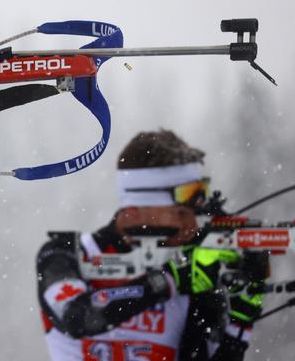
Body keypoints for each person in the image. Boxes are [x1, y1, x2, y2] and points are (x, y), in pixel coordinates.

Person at [36, 129, 268, 360]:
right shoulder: (68, 253)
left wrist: (241, 321)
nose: (192, 224)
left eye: (196, 212)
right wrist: (165, 282)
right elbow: (77, 317)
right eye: (180, 212)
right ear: (136, 208)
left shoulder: (193, 272)